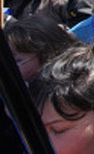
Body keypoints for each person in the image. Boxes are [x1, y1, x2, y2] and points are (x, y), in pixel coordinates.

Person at [2, 16, 83, 154]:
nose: (9, 68)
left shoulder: (78, 94)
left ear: (47, 57)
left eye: (18, 60)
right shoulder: (11, 94)